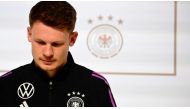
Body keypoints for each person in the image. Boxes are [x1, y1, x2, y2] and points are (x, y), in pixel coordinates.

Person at [0, 1, 116, 107]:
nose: (48, 53)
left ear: (72, 39)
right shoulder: (6, 85)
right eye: (41, 42)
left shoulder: (96, 85)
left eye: (56, 44)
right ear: (29, 34)